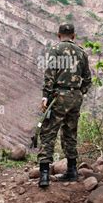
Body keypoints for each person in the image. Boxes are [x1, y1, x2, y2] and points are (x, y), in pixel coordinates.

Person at [38, 23, 92, 188]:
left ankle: (45, 175)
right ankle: (72, 171)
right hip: (75, 97)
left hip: (58, 97)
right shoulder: (82, 53)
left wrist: (45, 97)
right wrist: (78, 92)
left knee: (48, 133)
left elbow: (50, 75)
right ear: (74, 36)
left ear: (58, 35)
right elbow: (88, 79)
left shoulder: (55, 50)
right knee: (70, 133)